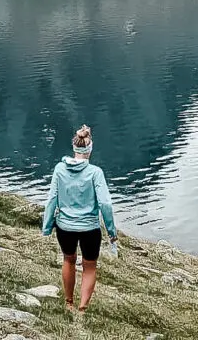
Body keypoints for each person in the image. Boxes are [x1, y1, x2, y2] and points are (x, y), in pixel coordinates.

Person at [41, 124, 117, 313]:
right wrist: (111, 232)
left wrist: (47, 227)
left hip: (65, 227)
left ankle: (69, 302)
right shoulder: (95, 173)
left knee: (68, 260)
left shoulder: (59, 169)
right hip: (90, 228)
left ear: (74, 148)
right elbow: (105, 204)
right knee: (89, 267)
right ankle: (82, 308)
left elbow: (52, 199)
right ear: (89, 149)